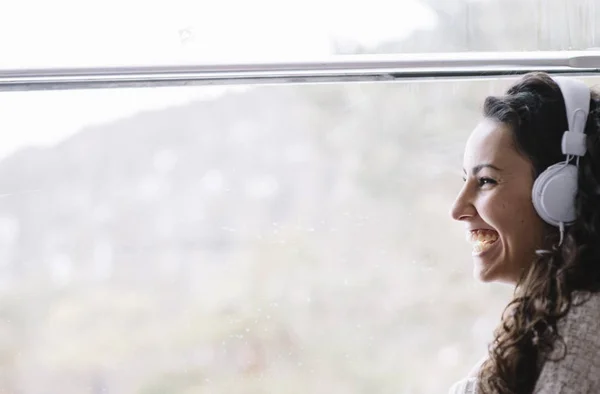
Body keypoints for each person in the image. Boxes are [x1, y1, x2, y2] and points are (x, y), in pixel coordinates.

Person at [448, 72, 600, 393]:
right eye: (465, 180)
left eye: (486, 181)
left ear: (561, 194)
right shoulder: (542, 314)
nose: (458, 209)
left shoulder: (585, 326)